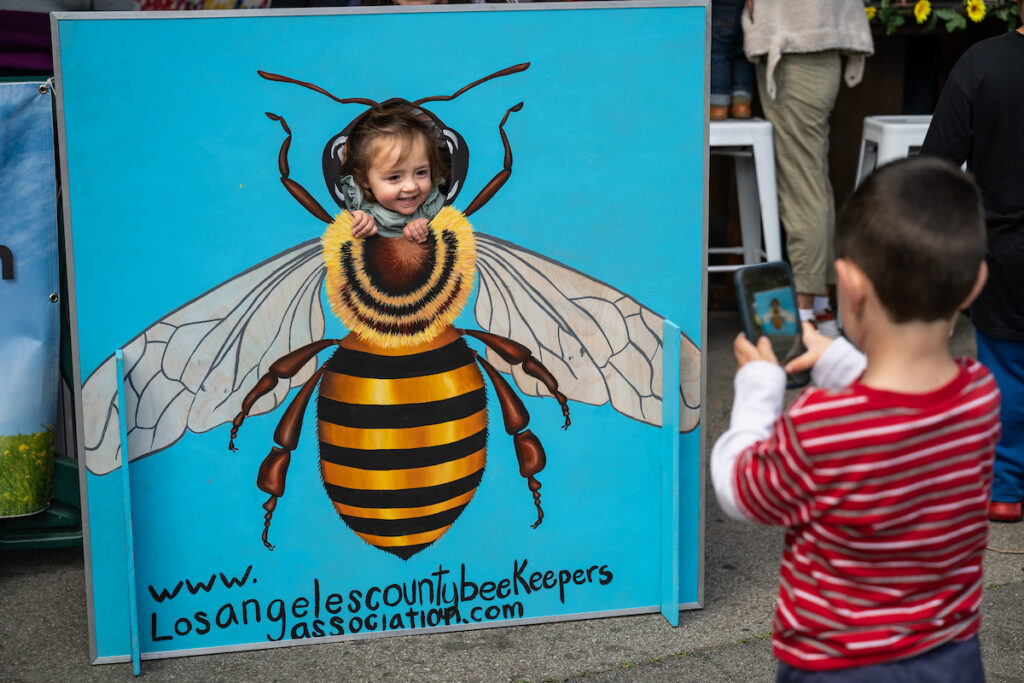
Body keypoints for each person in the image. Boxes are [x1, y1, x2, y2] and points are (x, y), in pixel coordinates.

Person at [711, 157, 999, 681]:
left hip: (838, 666)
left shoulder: (823, 424)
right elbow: (899, 411)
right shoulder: (978, 395)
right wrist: (836, 359)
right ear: (975, 284)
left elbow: (741, 490)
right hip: (951, 654)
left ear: (849, 284)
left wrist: (759, 389)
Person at [919, 9, 1024, 523]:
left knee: (1005, 369)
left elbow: (938, 164)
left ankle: (1003, 488)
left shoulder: (982, 62)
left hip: (1003, 250)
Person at [741, 0, 873, 326]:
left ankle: (802, 320)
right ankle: (821, 310)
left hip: (797, 49)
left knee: (802, 186)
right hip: (816, 47)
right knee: (812, 181)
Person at [337, 105, 449, 243]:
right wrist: (353, 219)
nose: (411, 187)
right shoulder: (355, 200)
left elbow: (458, 224)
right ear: (364, 178)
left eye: (421, 172)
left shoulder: (433, 203)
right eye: (394, 177)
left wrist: (431, 227)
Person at [710, 0, 755, 120]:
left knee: (719, 51)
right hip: (748, 4)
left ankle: (718, 105)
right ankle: (742, 103)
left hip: (722, 5)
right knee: (743, 52)